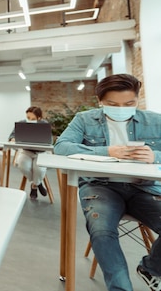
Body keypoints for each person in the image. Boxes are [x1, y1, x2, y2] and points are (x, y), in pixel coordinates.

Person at [54, 73, 161, 291]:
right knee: (102, 231)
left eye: (129, 103)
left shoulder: (155, 121)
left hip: (144, 187)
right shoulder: (84, 120)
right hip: (100, 187)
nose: (122, 108)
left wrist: (155, 156)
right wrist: (106, 151)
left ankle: (151, 268)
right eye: (113, 104)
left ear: (137, 100)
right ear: (101, 101)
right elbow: (62, 146)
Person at [8, 106, 49, 200]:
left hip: (41, 153)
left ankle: (34, 186)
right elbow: (11, 135)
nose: (30, 120)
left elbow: (49, 140)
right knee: (23, 165)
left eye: (33, 119)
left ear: (39, 118)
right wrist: (12, 138)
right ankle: (38, 183)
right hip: (26, 151)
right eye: (28, 118)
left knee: (39, 170)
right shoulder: (22, 123)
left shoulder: (44, 124)